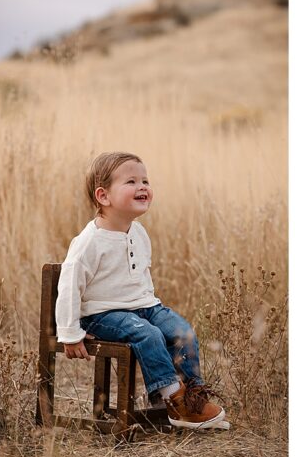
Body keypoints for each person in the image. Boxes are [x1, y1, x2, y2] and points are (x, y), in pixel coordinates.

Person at [57, 151, 229, 430]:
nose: (143, 187)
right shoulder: (90, 242)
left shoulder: (139, 232)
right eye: (131, 182)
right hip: (103, 313)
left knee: (181, 329)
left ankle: (195, 396)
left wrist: (152, 309)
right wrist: (70, 332)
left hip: (143, 307)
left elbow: (140, 277)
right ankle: (174, 400)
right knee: (147, 334)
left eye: (145, 180)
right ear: (104, 196)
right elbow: (68, 287)